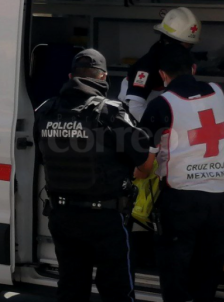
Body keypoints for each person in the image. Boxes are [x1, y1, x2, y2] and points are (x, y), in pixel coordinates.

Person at [34, 49, 151, 302]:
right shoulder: (111, 112)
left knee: (71, 287)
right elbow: (144, 160)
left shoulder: (45, 110)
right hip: (105, 218)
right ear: (104, 77)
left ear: (70, 76)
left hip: (62, 216)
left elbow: (42, 155)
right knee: (116, 290)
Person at [135, 44, 224, 302]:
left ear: (162, 74)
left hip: (181, 202)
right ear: (193, 68)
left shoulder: (161, 105)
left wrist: (136, 175)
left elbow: (145, 166)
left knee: (175, 273)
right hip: (220, 200)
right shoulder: (218, 92)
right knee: (208, 274)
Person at [118, 7, 202, 121]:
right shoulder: (147, 65)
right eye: (184, 46)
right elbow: (135, 108)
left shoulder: (180, 61)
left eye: (190, 46)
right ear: (168, 42)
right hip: (136, 124)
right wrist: (159, 130)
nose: (185, 52)